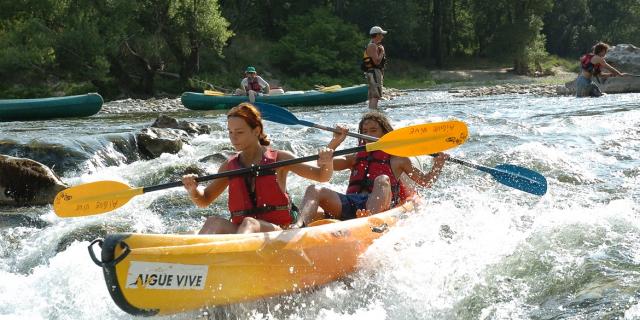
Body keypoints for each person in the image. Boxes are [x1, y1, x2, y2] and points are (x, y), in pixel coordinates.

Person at [182, 103, 334, 234]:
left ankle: (236, 259)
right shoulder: (229, 166)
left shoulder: (281, 158)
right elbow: (204, 200)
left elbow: (321, 176)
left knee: (250, 223)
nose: (233, 138)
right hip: (243, 232)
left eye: (239, 132)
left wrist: (327, 162)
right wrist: (193, 190)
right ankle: (195, 264)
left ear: (256, 131)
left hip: (278, 232)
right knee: (213, 222)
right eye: (230, 132)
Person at [290, 112, 448, 228]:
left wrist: (438, 164)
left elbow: (426, 182)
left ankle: (367, 221)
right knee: (314, 189)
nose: (368, 135)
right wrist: (335, 141)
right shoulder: (355, 157)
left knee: (382, 179)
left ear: (385, 134)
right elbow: (322, 163)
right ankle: (298, 227)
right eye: (365, 132)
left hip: (381, 209)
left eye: (373, 131)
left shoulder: (398, 159)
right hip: (352, 204)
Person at [362, 26, 387, 109]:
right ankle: (374, 114)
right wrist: (382, 51)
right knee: (375, 96)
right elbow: (376, 61)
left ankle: (372, 113)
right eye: (381, 34)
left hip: (372, 72)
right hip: (374, 72)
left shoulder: (372, 45)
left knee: (373, 96)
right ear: (377, 35)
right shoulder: (373, 46)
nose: (383, 37)